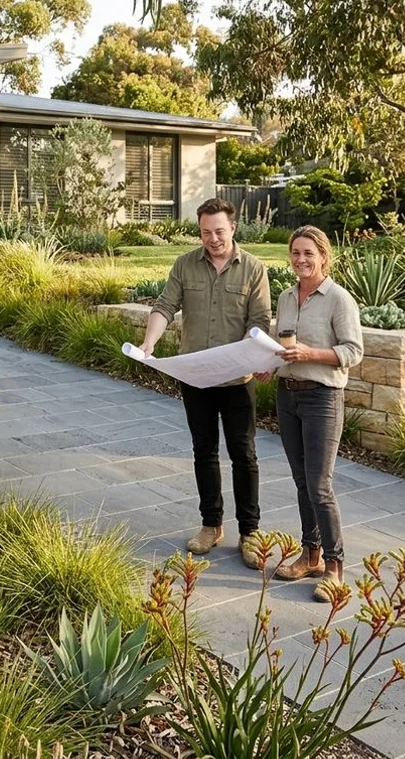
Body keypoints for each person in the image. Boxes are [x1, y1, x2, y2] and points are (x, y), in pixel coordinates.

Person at [140, 198, 271, 568]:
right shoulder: (185, 264)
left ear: (233, 228)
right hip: (195, 378)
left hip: (236, 379)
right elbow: (165, 306)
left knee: (244, 455)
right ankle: (211, 525)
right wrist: (150, 343)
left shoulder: (254, 270)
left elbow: (259, 321)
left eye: (218, 231)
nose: (212, 238)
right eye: (205, 232)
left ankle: (250, 532)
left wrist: (256, 354)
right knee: (204, 452)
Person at [267, 225, 363, 600]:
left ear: (324, 256)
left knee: (320, 485)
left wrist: (310, 354)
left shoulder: (339, 299)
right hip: (287, 396)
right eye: (295, 253)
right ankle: (311, 556)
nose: (301, 260)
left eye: (309, 253)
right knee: (301, 480)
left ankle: (336, 568)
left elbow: (353, 352)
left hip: (323, 397)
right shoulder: (286, 297)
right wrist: (270, 363)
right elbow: (284, 343)